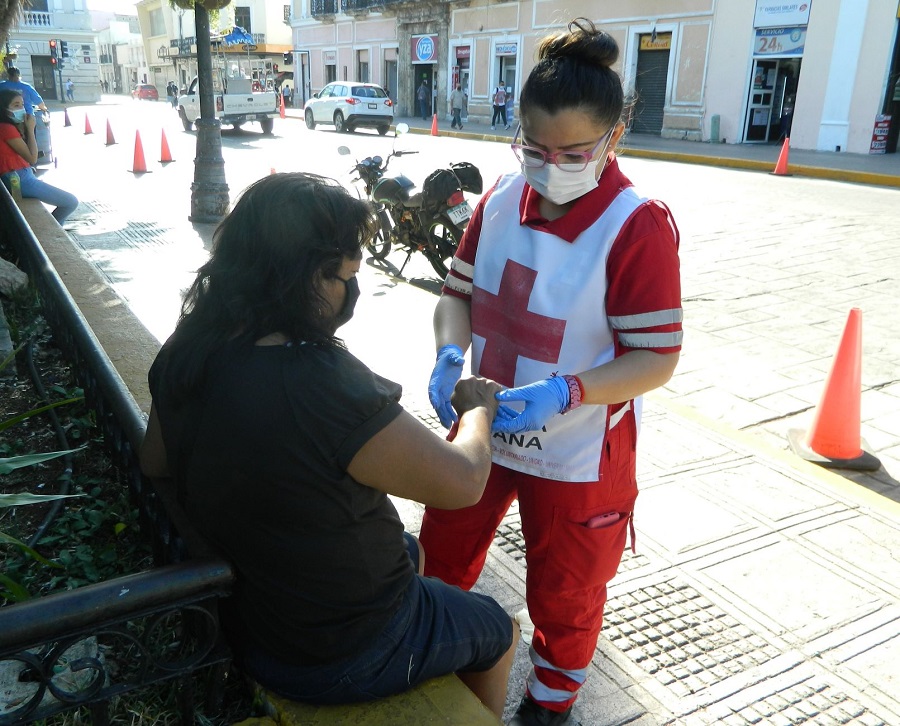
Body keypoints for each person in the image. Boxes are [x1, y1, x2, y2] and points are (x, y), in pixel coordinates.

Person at [139, 172, 519, 719]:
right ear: (305, 278)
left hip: (254, 612)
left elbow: (157, 463)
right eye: (344, 276)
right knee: (497, 629)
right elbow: (462, 482)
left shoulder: (190, 345)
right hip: (337, 650)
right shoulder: (321, 382)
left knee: (413, 555)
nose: (351, 291)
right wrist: (478, 409)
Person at [422, 18, 682, 726]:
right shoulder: (502, 198)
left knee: (568, 588)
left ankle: (549, 704)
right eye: (534, 147)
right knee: (441, 550)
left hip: (578, 448)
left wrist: (570, 390)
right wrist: (450, 354)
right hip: (482, 422)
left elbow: (656, 357)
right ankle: (426, 661)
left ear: (614, 138)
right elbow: (459, 298)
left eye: (573, 151)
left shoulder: (637, 225)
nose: (550, 163)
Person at [0, 89, 78, 224]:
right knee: (70, 202)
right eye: (16, 105)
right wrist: (30, 129)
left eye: (22, 104)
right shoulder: (6, 128)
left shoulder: (8, 126)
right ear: (4, 109)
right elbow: (32, 158)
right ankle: (54, 233)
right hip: (19, 178)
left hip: (20, 175)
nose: (22, 109)